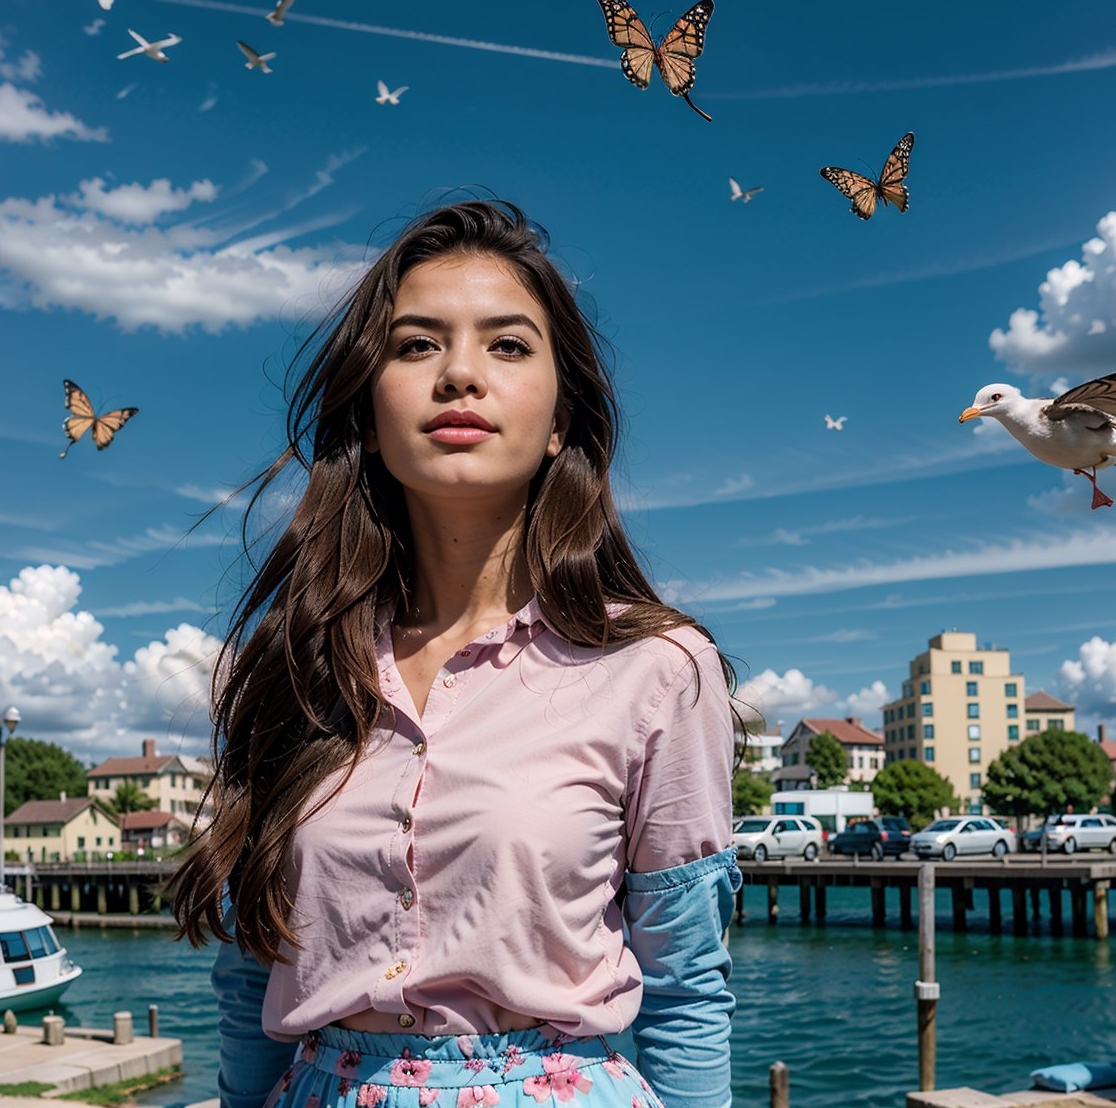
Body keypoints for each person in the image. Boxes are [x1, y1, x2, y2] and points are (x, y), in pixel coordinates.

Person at [173, 200, 742, 1108]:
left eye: (509, 346)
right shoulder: (295, 668)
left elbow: (686, 990)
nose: (462, 375)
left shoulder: (658, 669)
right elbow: (251, 985)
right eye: (416, 346)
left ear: (562, 419)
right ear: (364, 413)